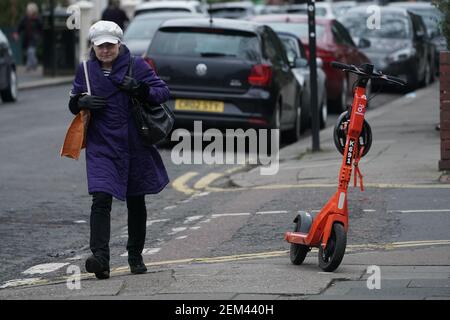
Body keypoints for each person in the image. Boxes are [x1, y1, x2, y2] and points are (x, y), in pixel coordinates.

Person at [67, 20, 170, 280]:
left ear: (119, 44)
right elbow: (73, 101)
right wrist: (80, 101)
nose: (105, 51)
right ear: (93, 46)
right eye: (100, 46)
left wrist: (141, 88)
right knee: (100, 199)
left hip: (135, 144)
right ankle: (101, 259)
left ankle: (135, 255)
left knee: (136, 200)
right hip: (102, 146)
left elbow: (162, 92)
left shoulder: (137, 66)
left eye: (110, 45)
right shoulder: (86, 71)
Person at [13, 2, 43, 71]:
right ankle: (32, 64)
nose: (28, 12)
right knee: (28, 53)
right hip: (26, 39)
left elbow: (42, 29)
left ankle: (30, 65)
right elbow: (19, 27)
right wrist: (16, 33)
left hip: (34, 38)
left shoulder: (38, 19)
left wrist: (39, 36)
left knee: (31, 51)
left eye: (29, 11)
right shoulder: (25, 19)